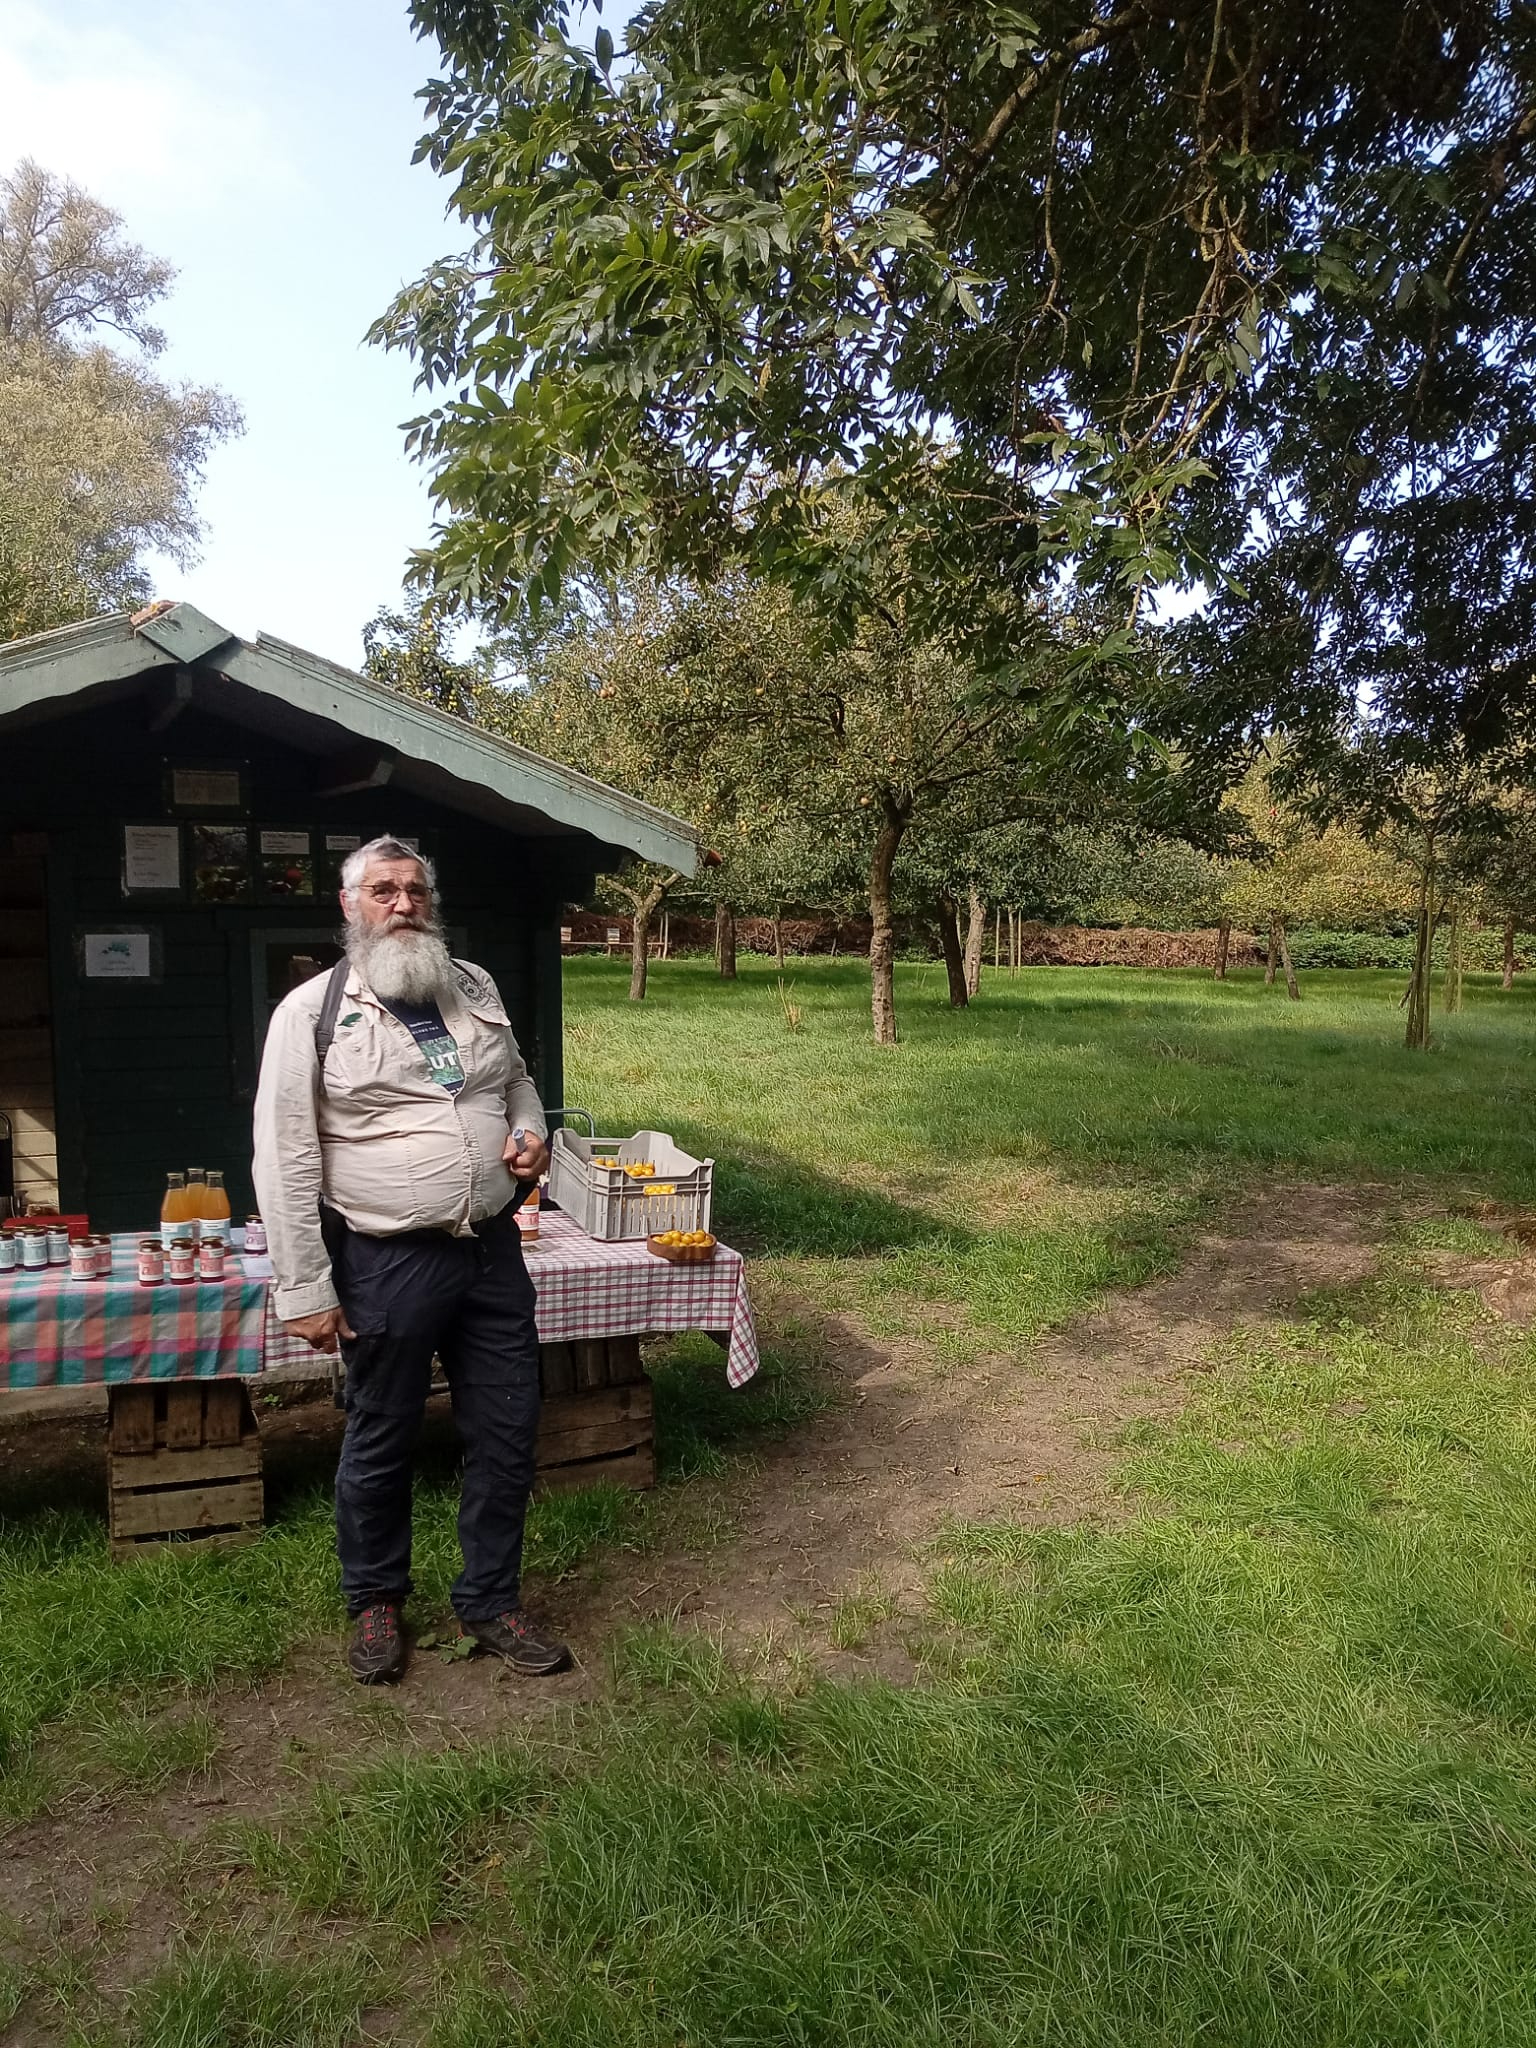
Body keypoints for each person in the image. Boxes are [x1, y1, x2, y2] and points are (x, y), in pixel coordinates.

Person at [252, 834, 569, 1685]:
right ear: (350, 907)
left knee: (508, 1431)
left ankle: (490, 1599)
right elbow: (282, 1158)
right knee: (383, 1434)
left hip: (491, 1255)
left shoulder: (474, 986)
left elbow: (516, 1082)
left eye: (415, 891)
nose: (403, 905)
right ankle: (375, 1603)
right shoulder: (311, 1012)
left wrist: (532, 1132)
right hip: (386, 1260)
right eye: (384, 891)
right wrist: (305, 1287)